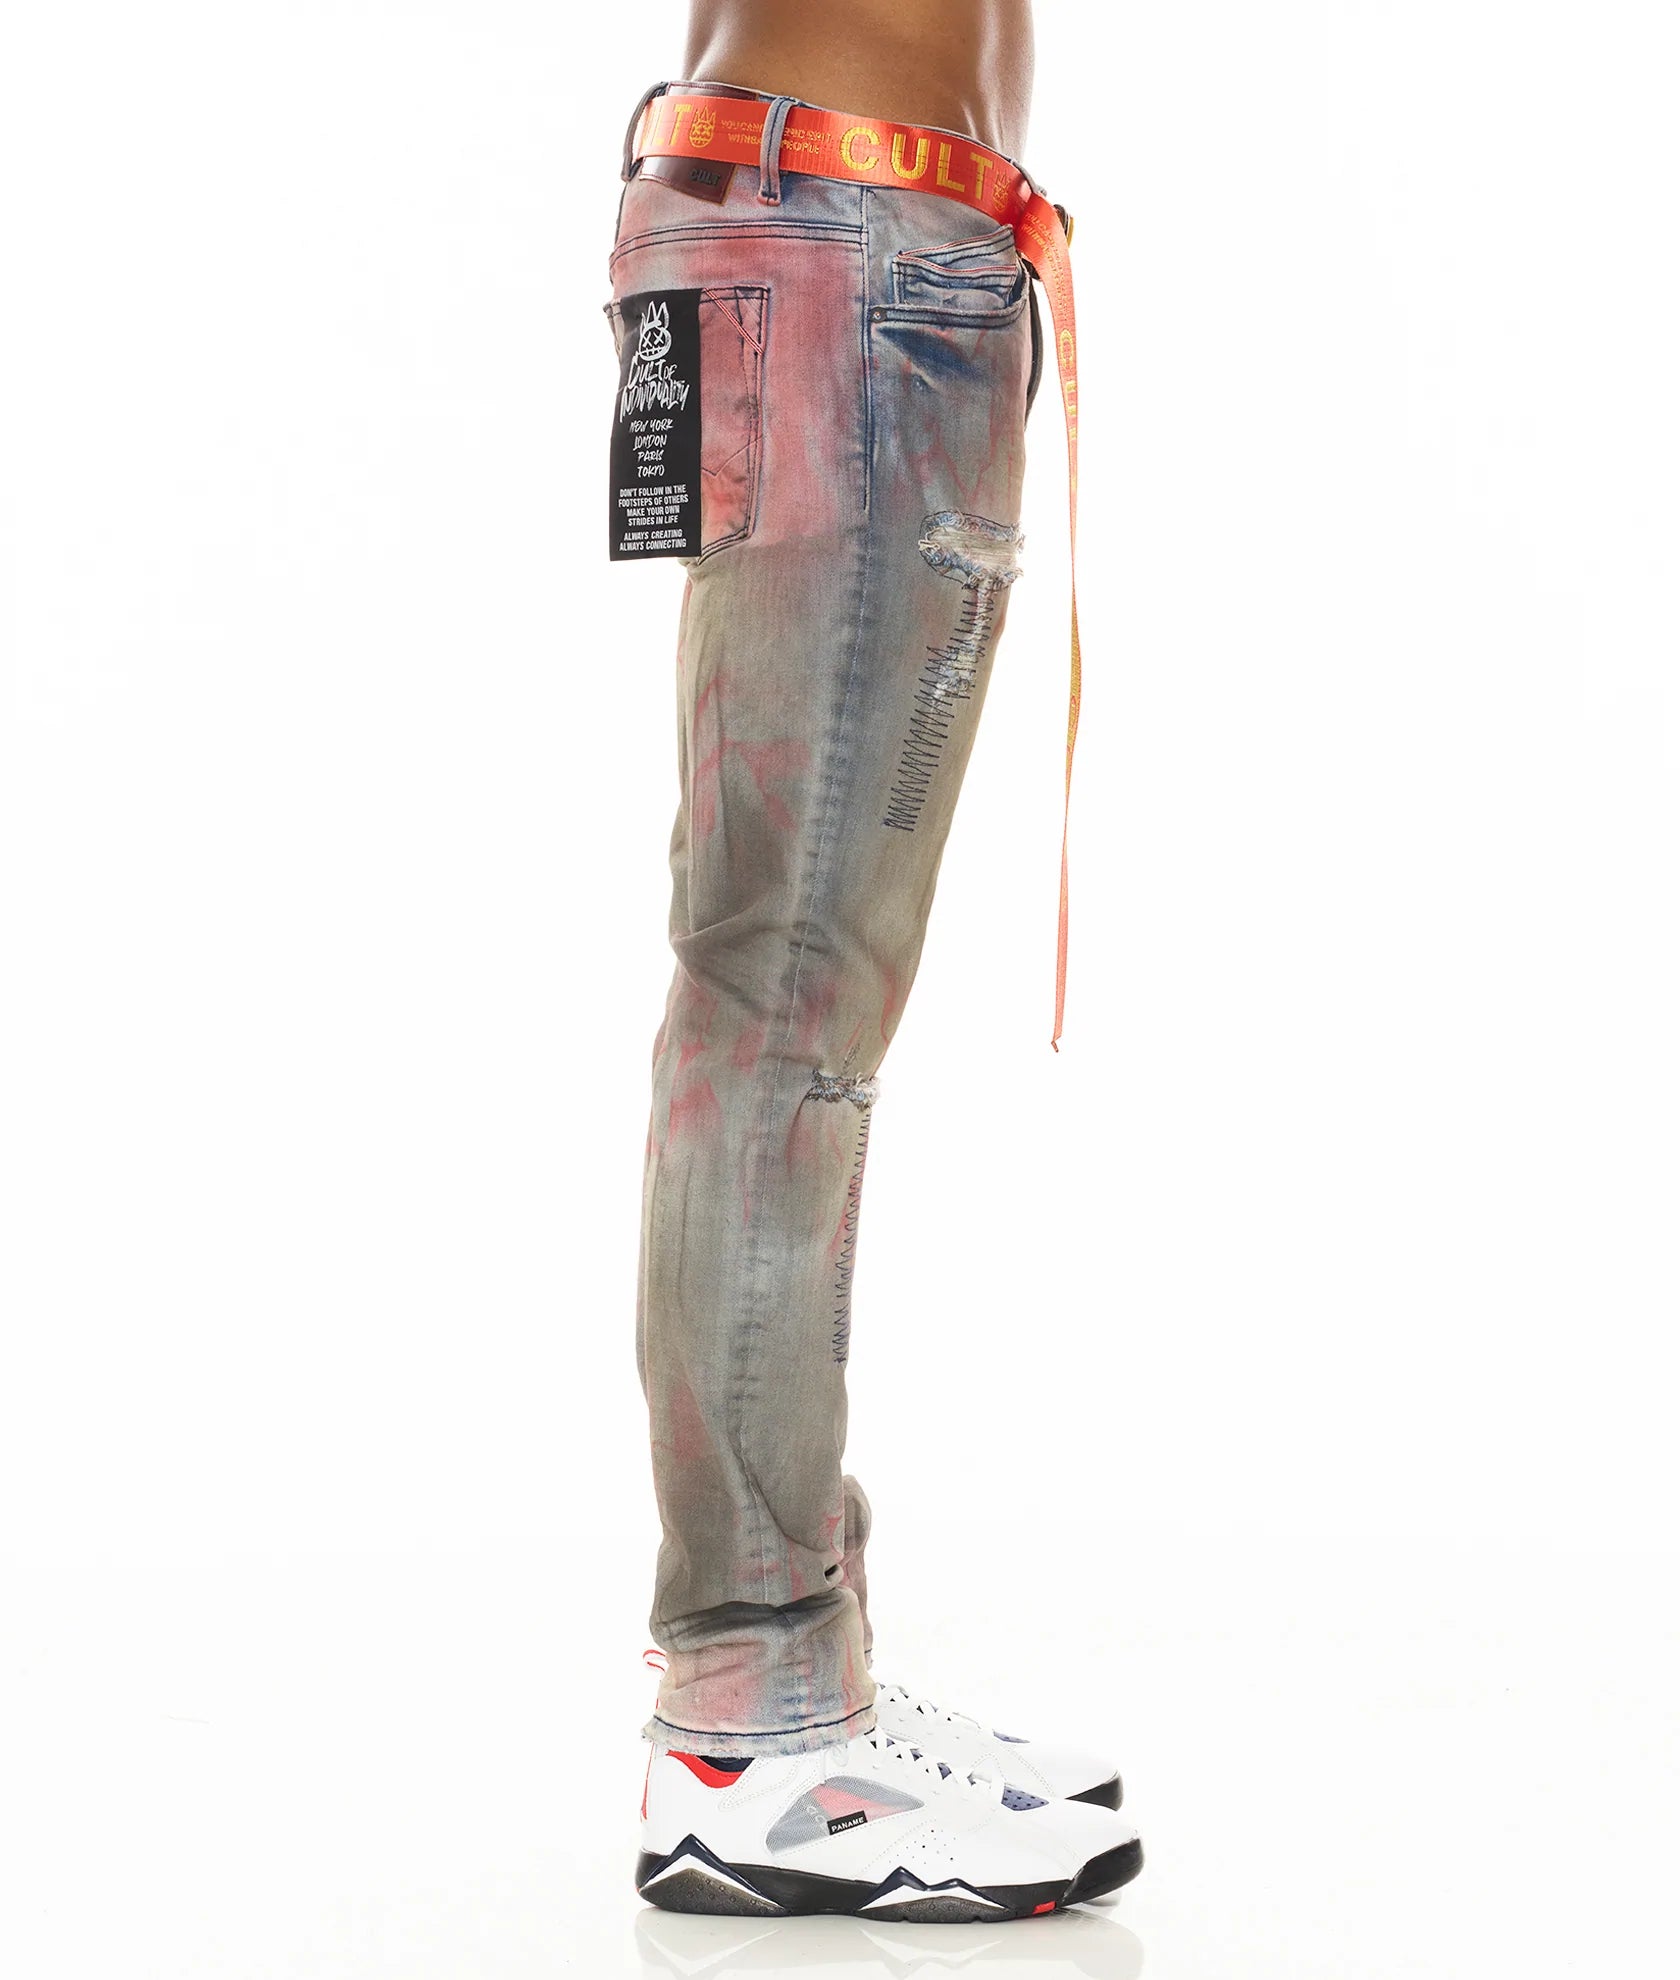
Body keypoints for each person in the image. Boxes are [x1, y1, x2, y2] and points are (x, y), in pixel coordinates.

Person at [605, 2, 1143, 1919]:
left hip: (825, 221)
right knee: (782, 1001)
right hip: (851, 240)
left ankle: (792, 1674)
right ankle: (750, 1730)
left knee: (775, 982)